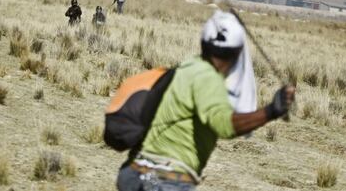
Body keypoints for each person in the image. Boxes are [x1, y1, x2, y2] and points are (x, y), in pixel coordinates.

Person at [116, 10, 296, 191]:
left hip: (134, 174)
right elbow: (224, 125)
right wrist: (271, 111)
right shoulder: (209, 80)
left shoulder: (188, 67)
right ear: (237, 53)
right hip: (165, 180)